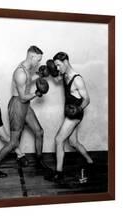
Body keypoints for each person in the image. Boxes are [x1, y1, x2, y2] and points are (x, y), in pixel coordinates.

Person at [0, 46, 50, 177]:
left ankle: (39, 162)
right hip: (17, 105)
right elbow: (22, 97)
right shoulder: (20, 73)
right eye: (38, 60)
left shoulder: (27, 68)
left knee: (39, 132)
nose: (38, 63)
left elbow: (28, 81)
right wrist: (37, 93)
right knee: (14, 142)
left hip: (25, 106)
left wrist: (40, 75)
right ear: (32, 57)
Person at [45, 52, 94, 183]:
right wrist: (48, 72)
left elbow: (87, 99)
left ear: (66, 62)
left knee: (59, 139)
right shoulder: (64, 74)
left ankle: (58, 173)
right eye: (56, 66)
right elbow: (57, 79)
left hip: (75, 114)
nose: (58, 68)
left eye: (59, 65)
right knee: (73, 142)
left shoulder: (77, 79)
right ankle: (90, 161)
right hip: (69, 112)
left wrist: (78, 109)